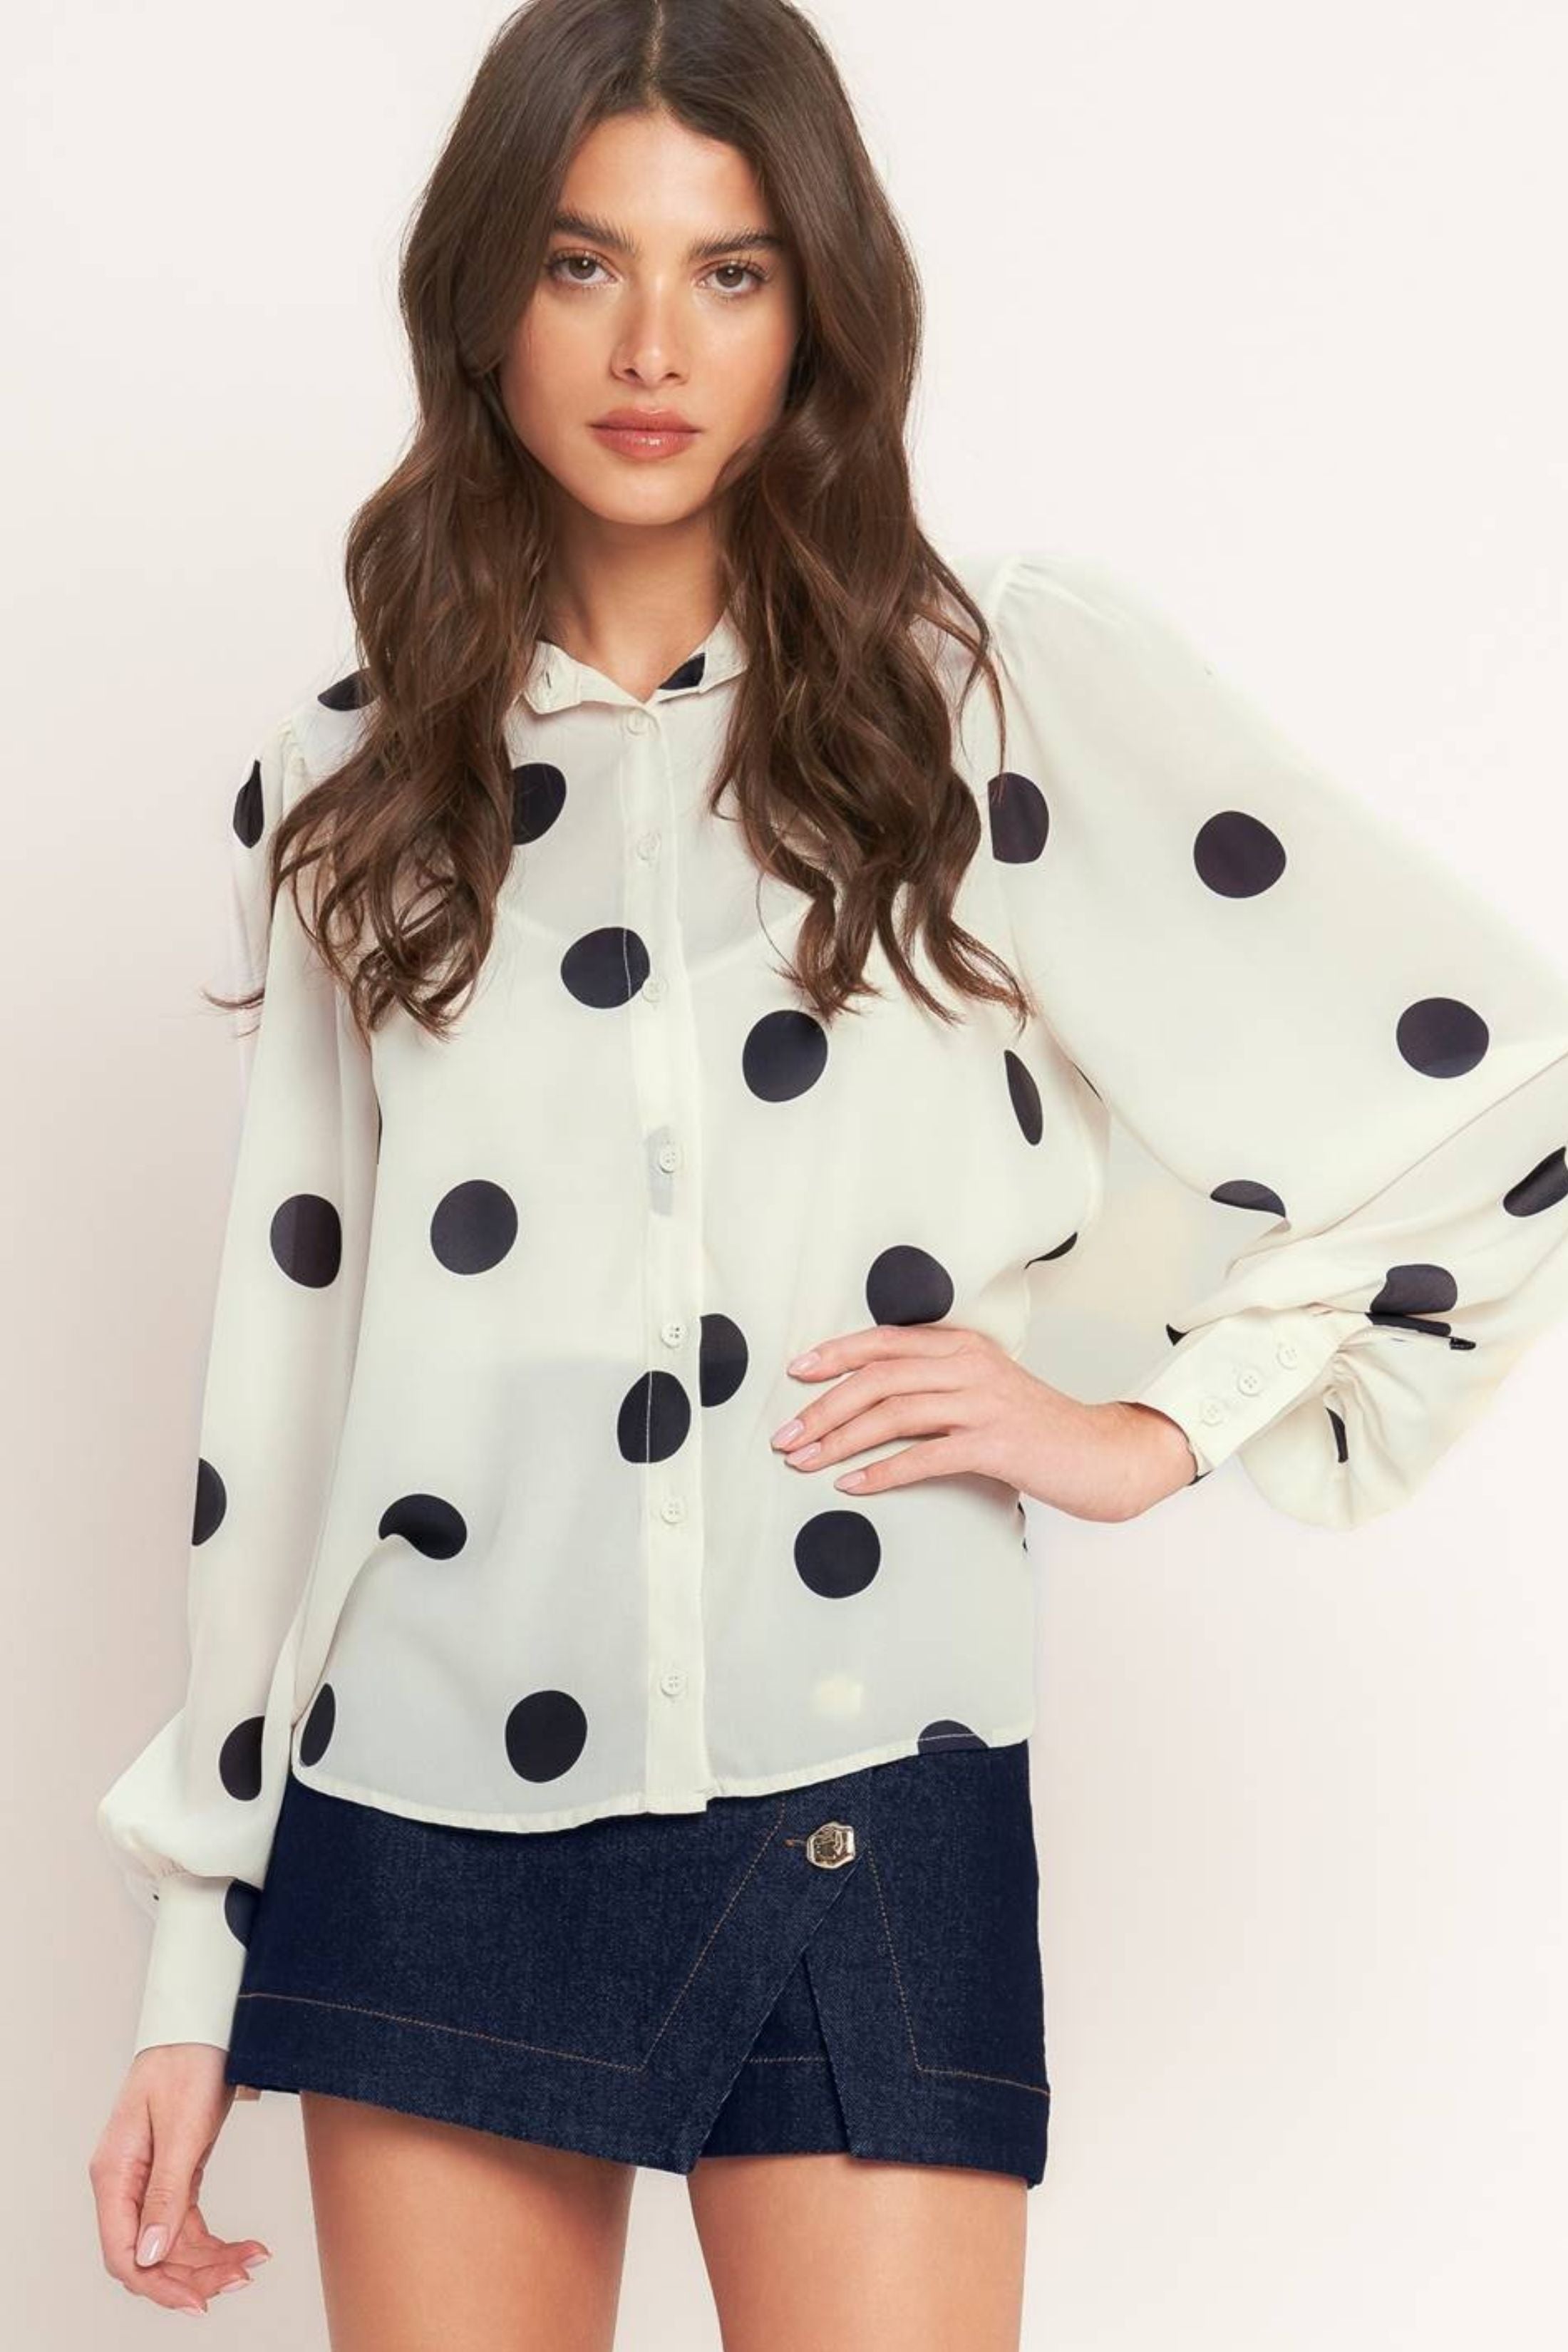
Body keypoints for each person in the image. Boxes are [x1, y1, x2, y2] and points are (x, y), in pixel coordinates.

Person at [87, 1, 1568, 2344]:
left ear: (817, 312)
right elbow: (284, 1388)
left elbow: (1491, 1079)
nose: (652, 347)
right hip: (426, 1812)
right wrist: (196, 1953)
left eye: (733, 271)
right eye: (583, 262)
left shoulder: (979, 700)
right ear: (485, 294)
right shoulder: (353, 791)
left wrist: (1150, 1421)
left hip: (867, 1781)